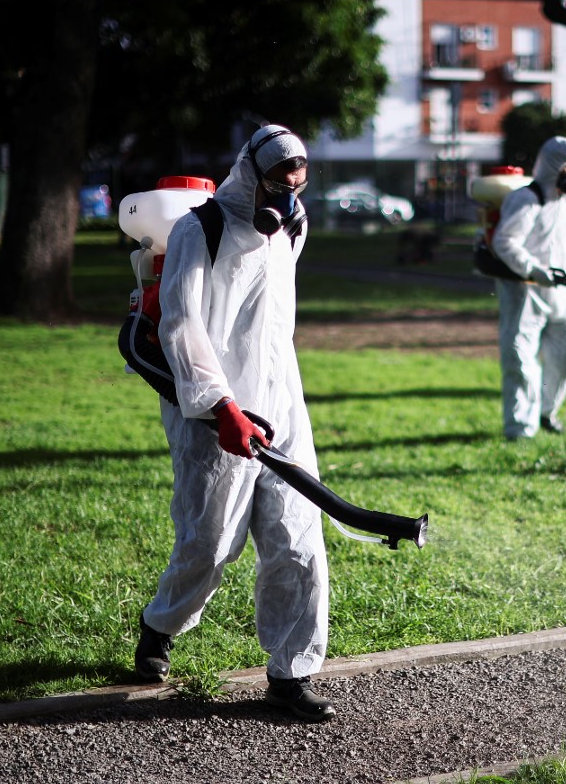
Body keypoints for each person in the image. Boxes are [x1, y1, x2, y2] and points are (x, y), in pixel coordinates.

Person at [133, 124, 335, 723]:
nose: (288, 198)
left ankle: (291, 677)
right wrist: (222, 407)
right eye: (278, 184)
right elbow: (181, 325)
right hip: (212, 410)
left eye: (298, 186)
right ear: (250, 173)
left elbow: (273, 324)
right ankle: (159, 626)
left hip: (281, 399)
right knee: (209, 544)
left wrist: (274, 397)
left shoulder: (292, 228)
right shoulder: (202, 229)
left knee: (299, 537)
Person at [489, 136, 566, 440]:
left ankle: (546, 411)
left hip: (565, 292)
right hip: (525, 291)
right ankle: (520, 429)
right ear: (552, 166)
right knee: (520, 359)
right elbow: (504, 242)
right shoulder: (526, 199)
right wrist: (533, 269)